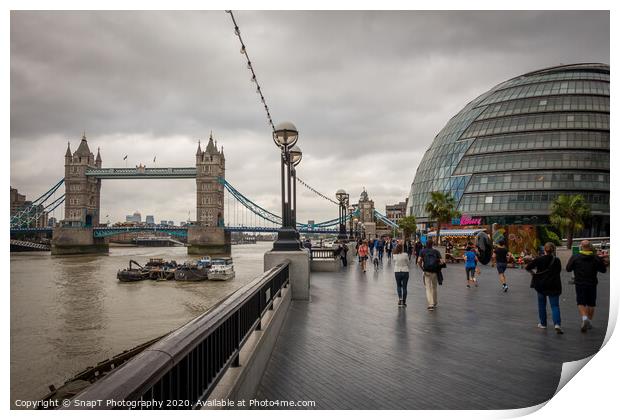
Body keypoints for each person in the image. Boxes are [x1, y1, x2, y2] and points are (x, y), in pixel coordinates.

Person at [566, 240, 607, 333]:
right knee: (591, 303)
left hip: (580, 283)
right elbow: (603, 270)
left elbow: (568, 269)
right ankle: (589, 322)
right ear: (590, 246)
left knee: (581, 302)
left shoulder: (575, 257)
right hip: (592, 283)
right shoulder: (596, 258)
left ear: (581, 246)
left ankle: (584, 319)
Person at [526, 242, 563, 334]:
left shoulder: (539, 259)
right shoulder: (557, 260)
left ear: (544, 250)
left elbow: (528, 267)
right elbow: (558, 271)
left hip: (541, 285)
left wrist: (532, 273)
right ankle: (557, 324)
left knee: (542, 305)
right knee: (555, 306)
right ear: (553, 250)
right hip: (554, 285)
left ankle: (543, 324)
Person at [417, 239, 444, 311]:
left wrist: (422, 268)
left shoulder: (422, 251)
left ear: (426, 244)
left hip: (426, 271)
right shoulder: (436, 252)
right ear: (432, 244)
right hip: (435, 272)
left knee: (428, 288)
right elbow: (442, 262)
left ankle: (430, 304)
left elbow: (419, 261)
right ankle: (435, 302)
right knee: (434, 287)